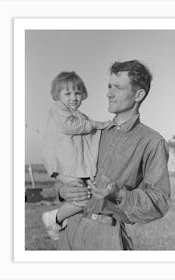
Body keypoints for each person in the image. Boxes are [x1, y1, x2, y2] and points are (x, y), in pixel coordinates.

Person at [55, 59, 171, 250]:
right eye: (109, 86)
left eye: (117, 87)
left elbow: (159, 201)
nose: (108, 93)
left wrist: (120, 194)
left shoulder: (152, 142)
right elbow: (64, 173)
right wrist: (61, 190)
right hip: (68, 230)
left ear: (138, 94)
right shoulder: (92, 131)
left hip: (106, 238)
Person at [41, 71, 111, 240]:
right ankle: (55, 217)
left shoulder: (80, 116)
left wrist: (104, 129)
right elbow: (70, 127)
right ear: (57, 96)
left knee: (91, 192)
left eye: (77, 93)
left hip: (75, 165)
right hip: (63, 164)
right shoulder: (58, 108)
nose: (74, 97)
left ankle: (90, 214)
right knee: (83, 195)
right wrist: (98, 124)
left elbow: (88, 139)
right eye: (67, 93)